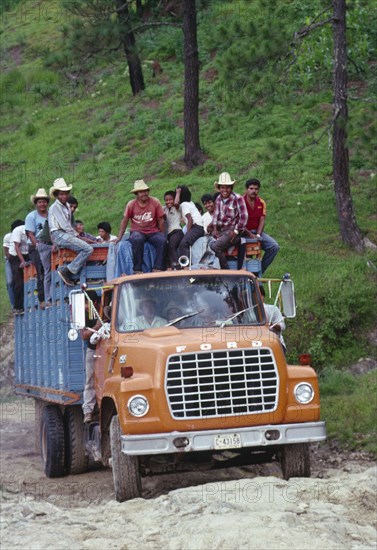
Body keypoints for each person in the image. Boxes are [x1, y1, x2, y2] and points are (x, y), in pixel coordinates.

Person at [48, 178, 93, 286]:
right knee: (87, 249)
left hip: (65, 233)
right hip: (59, 234)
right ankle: (67, 271)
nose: (64, 196)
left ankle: (71, 271)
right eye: (61, 194)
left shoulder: (67, 206)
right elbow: (65, 226)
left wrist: (79, 237)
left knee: (85, 247)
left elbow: (69, 225)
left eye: (65, 194)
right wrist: (79, 237)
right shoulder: (55, 207)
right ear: (57, 195)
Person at [115, 179, 166, 274]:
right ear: (137, 194)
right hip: (137, 231)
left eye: (146, 191)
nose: (144, 193)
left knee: (162, 240)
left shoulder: (155, 202)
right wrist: (119, 237)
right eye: (141, 191)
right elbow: (125, 220)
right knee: (137, 239)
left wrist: (162, 234)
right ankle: (137, 269)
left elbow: (161, 220)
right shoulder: (131, 204)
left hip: (153, 231)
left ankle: (158, 268)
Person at [209, 172, 248, 269]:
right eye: (222, 187)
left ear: (231, 188)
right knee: (206, 243)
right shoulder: (218, 199)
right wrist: (214, 229)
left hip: (234, 230)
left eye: (228, 187)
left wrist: (235, 231)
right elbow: (215, 215)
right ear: (219, 188)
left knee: (215, 247)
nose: (225, 190)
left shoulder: (237, 198)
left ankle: (225, 270)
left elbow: (244, 217)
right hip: (222, 230)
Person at [243, 178, 279, 274]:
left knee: (274, 246)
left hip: (257, 232)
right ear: (246, 189)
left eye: (256, 189)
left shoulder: (261, 202)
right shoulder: (241, 202)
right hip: (244, 232)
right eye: (251, 188)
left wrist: (258, 235)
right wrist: (250, 234)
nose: (254, 191)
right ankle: (244, 273)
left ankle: (260, 270)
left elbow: (262, 219)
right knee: (245, 250)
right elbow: (239, 222)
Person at [25, 188, 50, 308]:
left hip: (49, 245)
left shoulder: (51, 214)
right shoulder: (31, 216)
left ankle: (51, 296)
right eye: (40, 202)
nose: (42, 204)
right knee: (41, 271)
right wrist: (38, 245)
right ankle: (42, 299)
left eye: (44, 201)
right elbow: (30, 233)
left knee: (53, 269)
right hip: (36, 246)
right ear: (36, 203)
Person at [81, 290, 101, 423]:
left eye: (86, 304)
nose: (85, 307)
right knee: (90, 379)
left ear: (94, 303)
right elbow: (83, 335)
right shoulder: (85, 315)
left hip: (108, 349)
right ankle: (88, 410)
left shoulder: (106, 309)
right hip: (92, 349)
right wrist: (96, 327)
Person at [175, 186, 204, 261]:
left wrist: (177, 192)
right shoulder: (190, 203)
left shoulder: (184, 204)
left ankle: (186, 265)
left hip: (196, 227)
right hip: (199, 227)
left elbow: (190, 219)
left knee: (184, 243)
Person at [8, 219, 29, 314]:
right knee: (19, 280)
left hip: (26, 252)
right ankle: (18, 306)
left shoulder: (34, 230)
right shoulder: (18, 230)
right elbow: (17, 247)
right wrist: (23, 261)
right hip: (15, 254)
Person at [260, 286, 286, 354]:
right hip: (257, 345)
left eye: (259, 295)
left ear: (263, 296)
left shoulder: (273, 309)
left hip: (275, 344)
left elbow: (282, 326)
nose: (257, 298)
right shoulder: (248, 313)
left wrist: (272, 325)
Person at [163, 190, 184, 268]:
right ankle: (169, 267)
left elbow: (176, 203)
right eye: (166, 200)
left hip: (177, 231)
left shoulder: (177, 208)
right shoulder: (164, 209)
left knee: (172, 245)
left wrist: (178, 192)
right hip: (168, 234)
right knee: (165, 246)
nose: (168, 202)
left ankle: (177, 265)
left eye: (170, 199)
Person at [3, 225, 15, 308]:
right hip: (10, 260)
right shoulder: (8, 237)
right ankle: (13, 304)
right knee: (10, 282)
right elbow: (6, 252)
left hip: (22, 259)